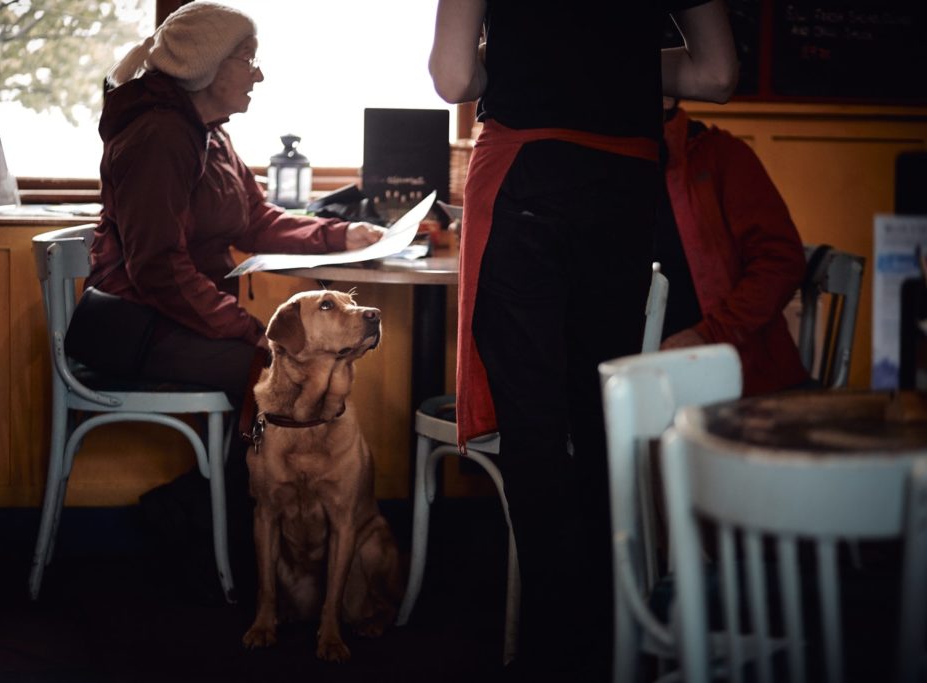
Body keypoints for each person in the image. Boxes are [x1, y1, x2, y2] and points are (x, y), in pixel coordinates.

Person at [429, 1, 738, 679]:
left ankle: (552, 655)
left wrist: (527, 57)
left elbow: (453, 79)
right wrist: (615, 61)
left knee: (535, 433)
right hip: (624, 184)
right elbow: (717, 76)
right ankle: (608, 647)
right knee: (604, 423)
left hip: (526, 170)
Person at [66, 1, 384, 409]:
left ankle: (232, 456)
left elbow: (254, 219)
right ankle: (241, 457)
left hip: (172, 317)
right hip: (132, 327)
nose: (259, 74)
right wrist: (246, 328)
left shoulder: (209, 134)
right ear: (206, 65)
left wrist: (341, 234)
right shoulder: (159, 136)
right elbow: (158, 268)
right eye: (248, 59)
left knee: (289, 366)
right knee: (287, 374)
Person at [658, 99, 810, 394]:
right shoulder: (604, 169)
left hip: (740, 383)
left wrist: (709, 334)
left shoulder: (721, 155)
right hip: (643, 384)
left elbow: (780, 261)